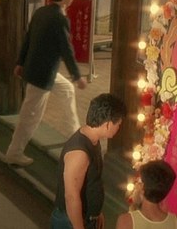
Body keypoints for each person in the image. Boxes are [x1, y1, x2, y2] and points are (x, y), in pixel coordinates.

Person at [6, 0, 87, 166]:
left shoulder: (41, 12)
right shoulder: (60, 19)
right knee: (30, 117)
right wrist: (77, 76)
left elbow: (28, 38)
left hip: (37, 69)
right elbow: (66, 50)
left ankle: (74, 136)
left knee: (67, 90)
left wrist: (20, 62)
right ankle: (14, 153)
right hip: (41, 75)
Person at [51, 93, 127, 229]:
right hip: (72, 221)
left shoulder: (93, 139)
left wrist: (96, 212)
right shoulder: (79, 153)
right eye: (119, 124)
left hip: (88, 217)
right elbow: (71, 197)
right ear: (108, 124)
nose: (119, 128)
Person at [115, 160, 177, 229]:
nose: (136, 185)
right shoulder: (176, 223)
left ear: (142, 187)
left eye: (139, 182)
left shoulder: (126, 221)